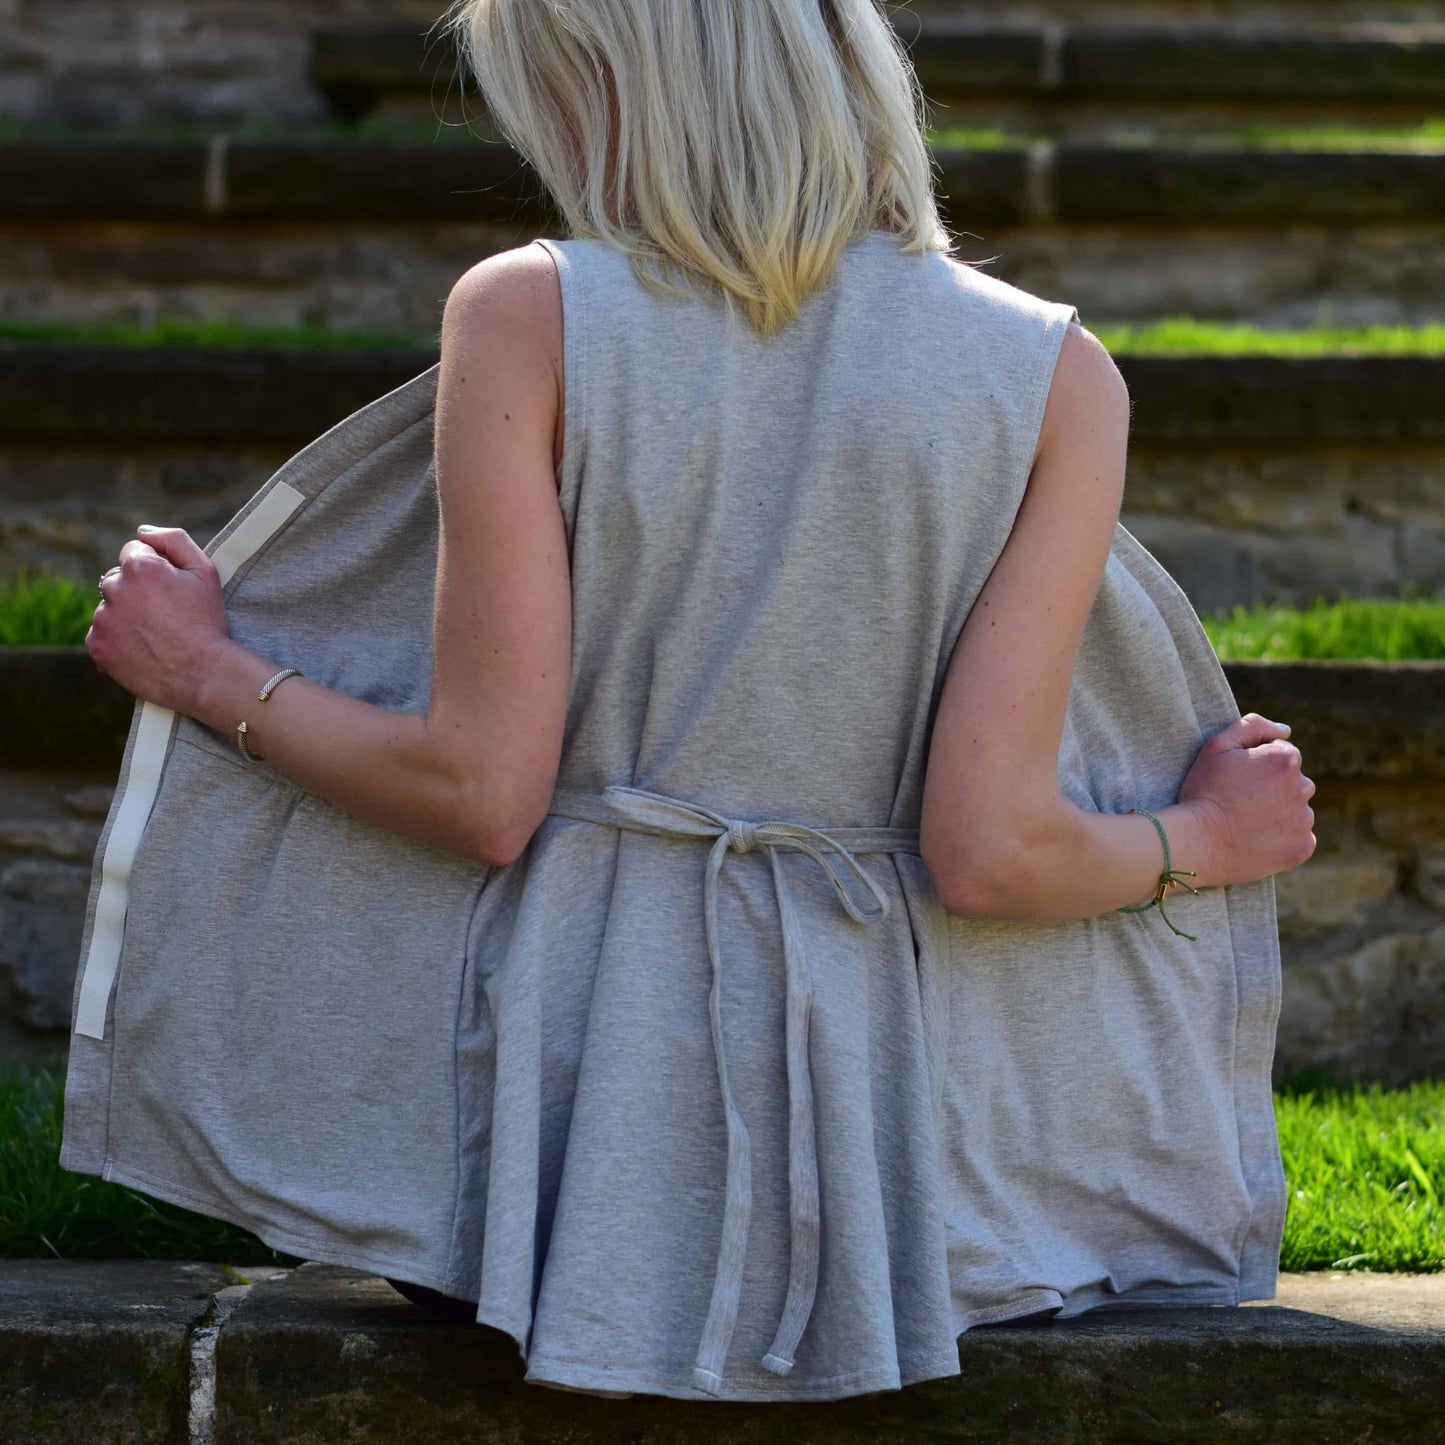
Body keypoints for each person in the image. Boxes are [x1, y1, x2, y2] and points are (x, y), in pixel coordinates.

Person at [82, 0, 1315, 1405]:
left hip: (541, 1190)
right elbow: (992, 850)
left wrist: (206, 671)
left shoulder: (530, 311)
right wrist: (1207, 838)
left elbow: (479, 791)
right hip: (911, 1208)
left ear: (606, 93)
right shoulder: (1055, 375)